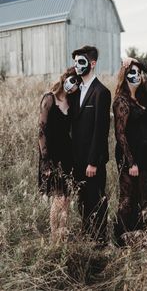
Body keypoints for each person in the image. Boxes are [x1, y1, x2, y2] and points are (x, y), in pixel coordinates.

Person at [113, 58, 147, 246]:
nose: (136, 75)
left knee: (144, 196)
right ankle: (121, 239)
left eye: (138, 72)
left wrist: (136, 61)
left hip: (145, 154)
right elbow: (120, 134)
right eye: (131, 72)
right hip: (128, 156)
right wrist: (131, 162)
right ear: (124, 77)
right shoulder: (121, 101)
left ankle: (139, 237)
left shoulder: (142, 95)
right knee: (127, 198)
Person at [70, 45, 111, 242]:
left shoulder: (101, 92)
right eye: (75, 62)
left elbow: (100, 130)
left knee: (97, 201)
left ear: (92, 63)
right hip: (76, 159)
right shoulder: (75, 91)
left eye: (81, 61)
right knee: (82, 202)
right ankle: (87, 238)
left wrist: (93, 162)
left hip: (92, 161)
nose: (77, 65)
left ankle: (100, 241)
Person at [38, 68, 79, 242]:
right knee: (58, 198)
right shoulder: (49, 98)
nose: (73, 84)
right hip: (52, 155)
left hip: (67, 154)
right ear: (64, 78)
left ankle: (63, 234)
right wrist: (45, 161)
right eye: (71, 79)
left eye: (77, 82)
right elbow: (41, 131)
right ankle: (54, 236)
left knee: (67, 198)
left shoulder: (71, 101)